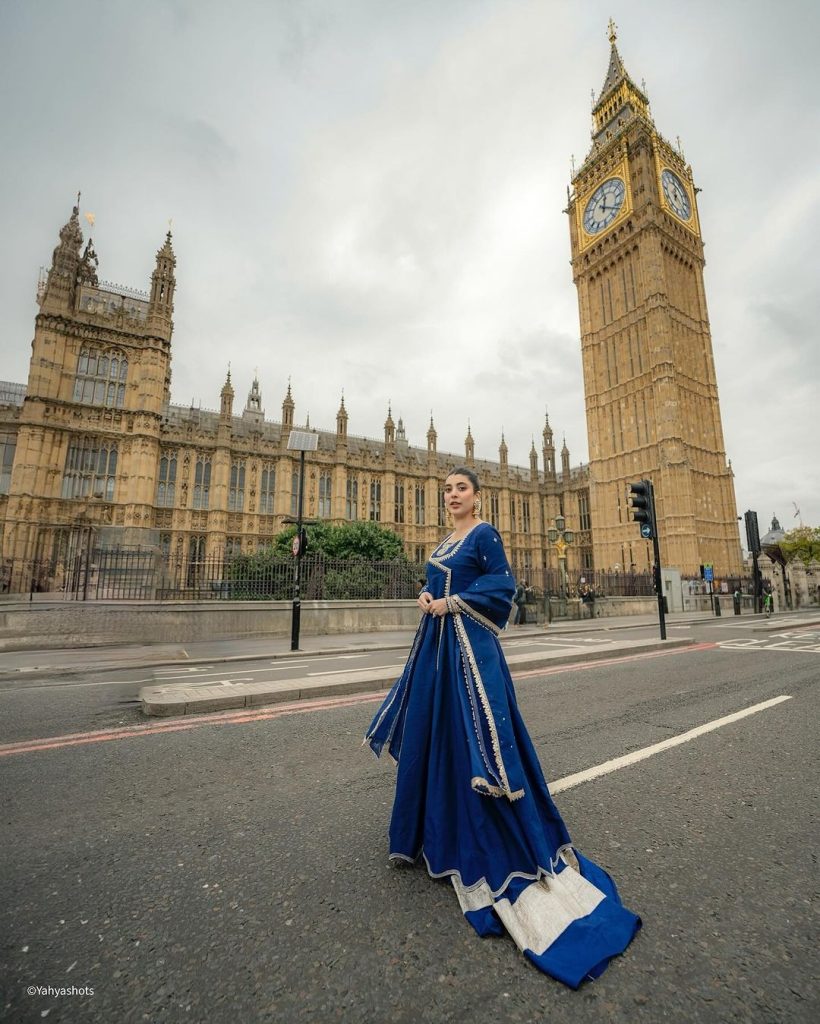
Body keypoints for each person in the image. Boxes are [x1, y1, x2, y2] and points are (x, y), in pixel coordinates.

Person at [364, 467, 640, 988]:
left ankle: (496, 831)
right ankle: (432, 828)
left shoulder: (485, 534)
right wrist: (428, 598)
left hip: (471, 654)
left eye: (460, 488)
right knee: (438, 740)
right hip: (439, 652)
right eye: (446, 490)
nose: (452, 496)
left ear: (477, 495)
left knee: (480, 741)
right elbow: (437, 582)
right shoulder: (446, 539)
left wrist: (452, 603)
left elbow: (501, 585)